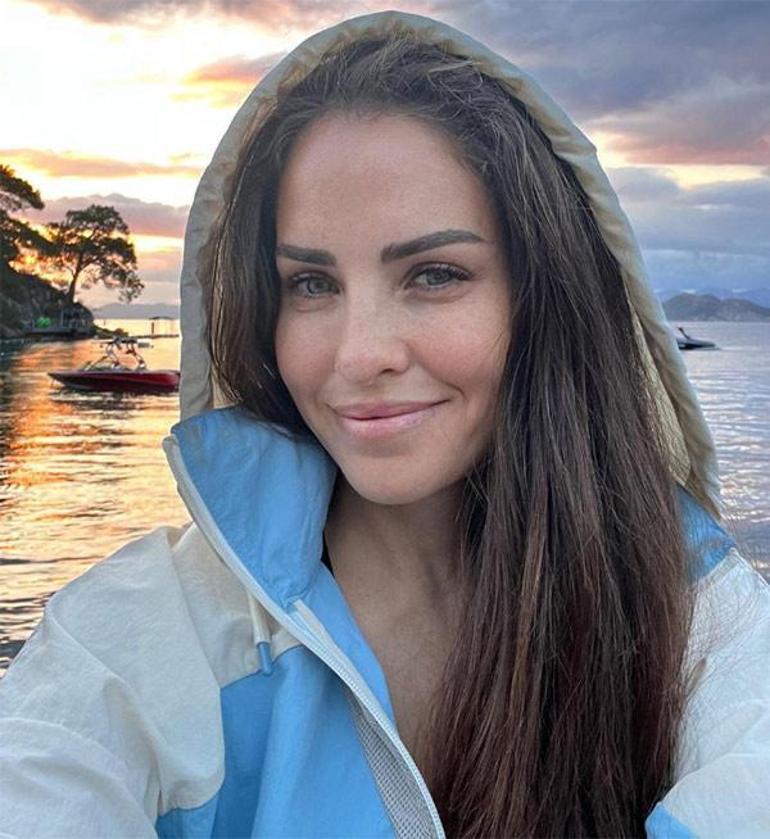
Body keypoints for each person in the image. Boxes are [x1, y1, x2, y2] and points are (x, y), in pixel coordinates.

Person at [1, 10, 768, 838]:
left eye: (434, 274)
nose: (359, 355)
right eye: (311, 284)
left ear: (542, 297)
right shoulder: (154, 635)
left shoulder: (691, 605)